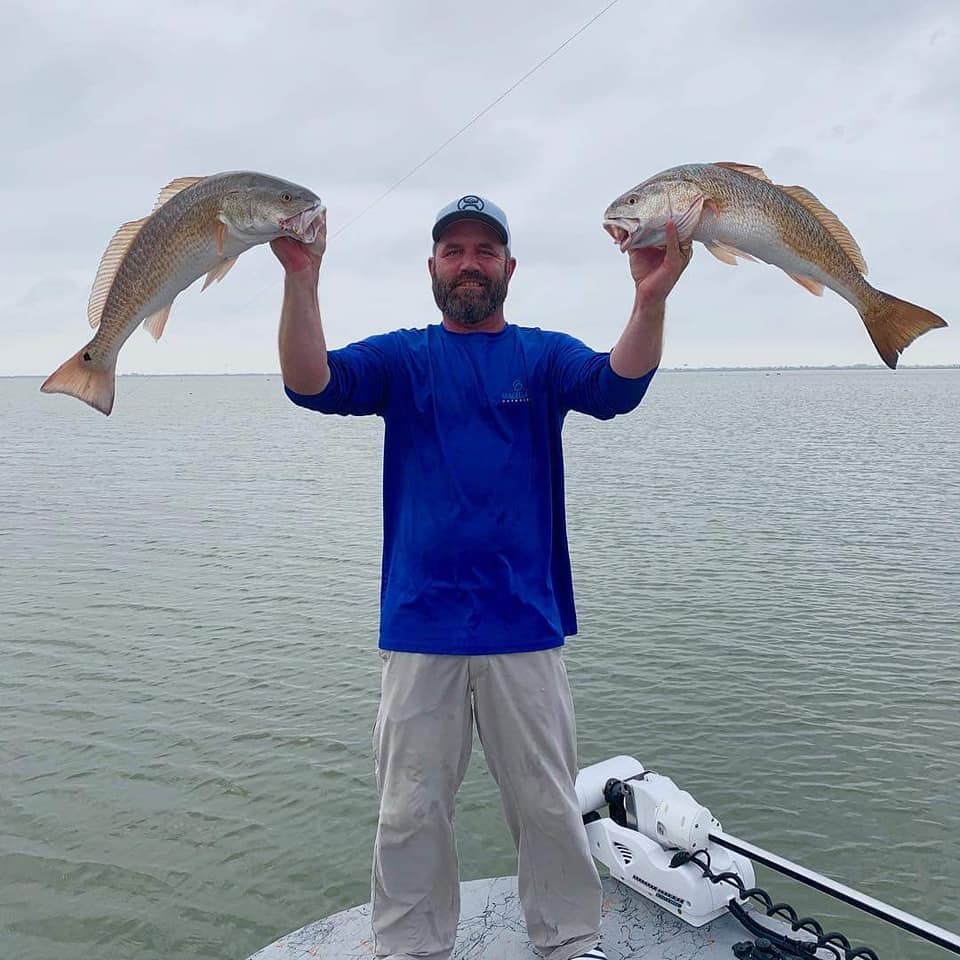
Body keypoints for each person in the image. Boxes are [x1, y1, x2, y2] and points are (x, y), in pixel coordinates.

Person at [271, 195, 691, 960]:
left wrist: (650, 298)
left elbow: (616, 387)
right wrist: (303, 279)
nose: (470, 263)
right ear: (432, 267)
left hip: (523, 625)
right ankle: (408, 946)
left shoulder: (540, 355)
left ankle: (567, 940)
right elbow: (312, 383)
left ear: (509, 268)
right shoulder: (403, 358)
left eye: (485, 251)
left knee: (548, 806)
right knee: (409, 809)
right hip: (420, 626)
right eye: (454, 250)